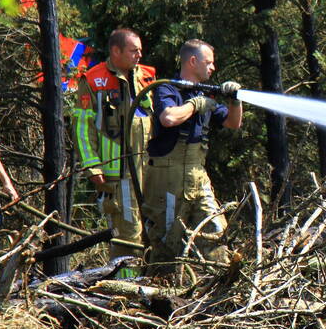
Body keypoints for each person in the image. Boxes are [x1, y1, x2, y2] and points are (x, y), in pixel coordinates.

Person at [142, 39, 241, 274]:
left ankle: (220, 286)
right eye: (209, 63)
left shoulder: (204, 93)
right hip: (168, 178)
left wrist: (234, 100)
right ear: (193, 61)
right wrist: (195, 105)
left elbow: (233, 123)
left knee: (216, 231)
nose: (213, 68)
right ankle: (159, 289)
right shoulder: (167, 89)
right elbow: (168, 118)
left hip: (198, 176)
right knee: (167, 241)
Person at [72, 28, 155, 258]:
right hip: (118, 175)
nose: (139, 55)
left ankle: (152, 277)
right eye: (134, 50)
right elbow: (82, 128)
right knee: (128, 239)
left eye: (140, 50)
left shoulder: (147, 76)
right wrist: (92, 166)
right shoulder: (93, 80)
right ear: (116, 51)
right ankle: (126, 279)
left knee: (154, 234)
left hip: (150, 172)